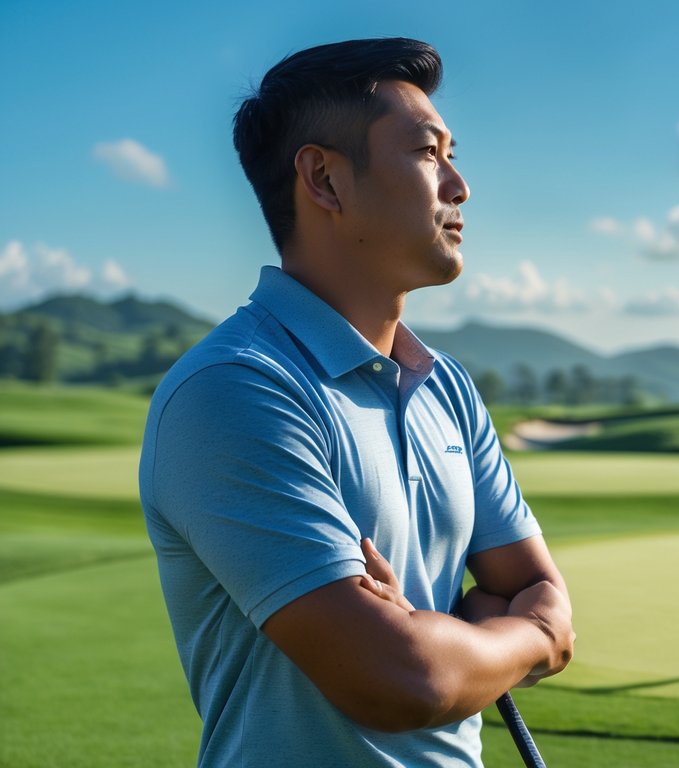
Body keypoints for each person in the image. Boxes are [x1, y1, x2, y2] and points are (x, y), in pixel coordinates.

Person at [139, 37, 574, 767]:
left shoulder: (447, 387)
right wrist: (525, 635)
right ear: (325, 180)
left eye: (452, 154)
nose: (459, 185)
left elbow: (536, 585)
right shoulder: (234, 388)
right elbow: (400, 681)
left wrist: (440, 637)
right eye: (428, 153)